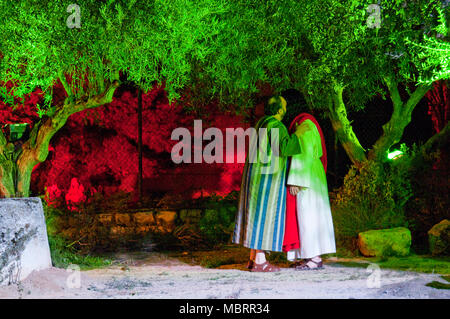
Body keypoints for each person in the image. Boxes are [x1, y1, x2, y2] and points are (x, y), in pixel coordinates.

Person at [233, 95, 304, 272]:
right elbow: (285, 147)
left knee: (255, 216)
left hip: (254, 177)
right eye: (285, 105)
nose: (287, 109)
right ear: (280, 110)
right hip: (267, 181)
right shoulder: (276, 126)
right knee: (264, 218)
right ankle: (260, 262)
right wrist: (299, 135)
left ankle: (252, 259)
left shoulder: (261, 124)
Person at [282, 112, 336, 270]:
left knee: (308, 215)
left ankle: (314, 258)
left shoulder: (304, 125)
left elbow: (303, 152)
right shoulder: (307, 123)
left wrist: (296, 180)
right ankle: (310, 256)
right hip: (312, 173)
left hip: (307, 175)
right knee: (310, 215)